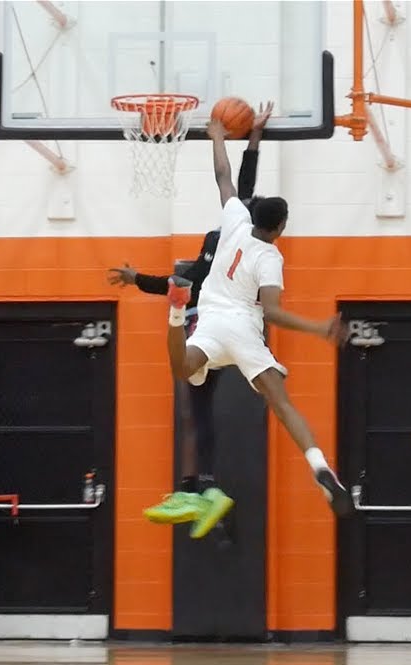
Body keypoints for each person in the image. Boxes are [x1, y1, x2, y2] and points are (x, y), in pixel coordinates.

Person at [162, 118, 351, 522]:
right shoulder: (270, 258)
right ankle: (319, 467)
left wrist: (216, 137)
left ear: (254, 216)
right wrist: (320, 329)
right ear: (280, 227)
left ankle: (176, 310)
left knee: (182, 369)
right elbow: (274, 313)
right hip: (244, 330)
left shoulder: (234, 220)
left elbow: (224, 177)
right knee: (281, 405)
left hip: (209, 323)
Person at [115, 103, 272, 538]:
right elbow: (242, 182)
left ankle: (200, 488)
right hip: (233, 328)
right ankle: (199, 486)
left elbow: (188, 278)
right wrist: (253, 137)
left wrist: (219, 137)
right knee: (196, 411)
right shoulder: (252, 245)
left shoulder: (227, 243)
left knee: (193, 409)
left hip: (209, 326)